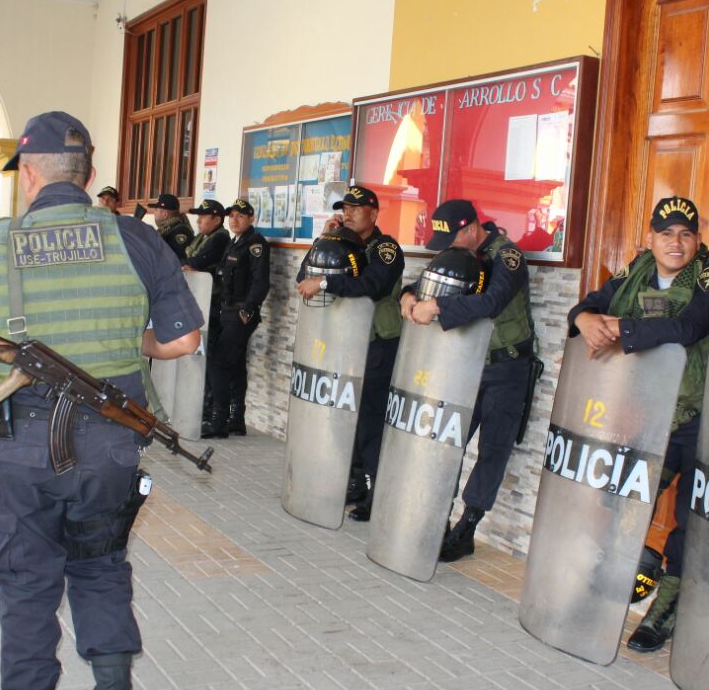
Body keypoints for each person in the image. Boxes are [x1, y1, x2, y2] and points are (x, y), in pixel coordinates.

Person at [0, 111, 203, 690]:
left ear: (29, 174)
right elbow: (183, 338)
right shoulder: (136, 239)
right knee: (102, 567)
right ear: (90, 175)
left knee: (26, 581)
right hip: (111, 448)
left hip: (18, 448)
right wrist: (127, 341)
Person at [568, 195, 709, 652]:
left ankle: (664, 611)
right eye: (666, 234)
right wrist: (584, 318)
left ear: (698, 239)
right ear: (650, 239)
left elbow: (689, 328)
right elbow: (590, 304)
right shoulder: (638, 267)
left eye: (686, 234)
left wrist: (620, 328)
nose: (676, 243)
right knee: (622, 506)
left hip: (698, 414)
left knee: (690, 521)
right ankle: (603, 595)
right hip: (642, 412)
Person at [398, 200, 536, 556]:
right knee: (448, 440)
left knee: (492, 448)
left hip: (505, 368)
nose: (446, 249)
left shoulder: (507, 257)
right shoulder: (459, 252)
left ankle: (467, 526)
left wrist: (440, 307)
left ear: (472, 228)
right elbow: (428, 280)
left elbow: (492, 302)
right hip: (464, 363)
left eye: (452, 238)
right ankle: (437, 517)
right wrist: (409, 295)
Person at [295, 185, 404, 521]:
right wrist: (324, 241)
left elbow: (371, 286)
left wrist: (326, 283)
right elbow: (304, 278)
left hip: (377, 343)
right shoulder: (342, 242)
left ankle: (377, 494)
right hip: (345, 341)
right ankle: (355, 483)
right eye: (346, 208)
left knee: (370, 421)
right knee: (345, 417)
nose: (350, 214)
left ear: (374, 212)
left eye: (358, 208)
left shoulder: (385, 248)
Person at [202, 198, 270, 439]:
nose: (235, 220)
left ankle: (218, 421)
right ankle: (236, 419)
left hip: (241, 313)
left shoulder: (255, 244)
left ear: (251, 218)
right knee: (236, 366)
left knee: (218, 362)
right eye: (231, 216)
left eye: (240, 216)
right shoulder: (235, 243)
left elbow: (261, 282)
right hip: (227, 311)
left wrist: (248, 310)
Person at [182, 198, 230, 417]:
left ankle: (211, 407)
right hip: (200, 302)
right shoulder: (204, 237)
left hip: (213, 304)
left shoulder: (219, 239)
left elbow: (197, 262)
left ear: (217, 220)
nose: (199, 220)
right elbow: (187, 260)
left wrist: (191, 263)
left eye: (203, 216)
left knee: (211, 358)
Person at [147, 193, 194, 262]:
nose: (154, 213)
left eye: (156, 209)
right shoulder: (166, 229)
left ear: (165, 214)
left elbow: (177, 260)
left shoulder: (180, 231)